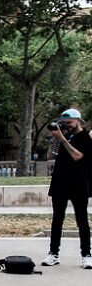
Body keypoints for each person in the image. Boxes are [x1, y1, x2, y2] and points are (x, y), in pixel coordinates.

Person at [42, 108, 92, 269]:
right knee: (57, 220)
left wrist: (63, 139)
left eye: (69, 123)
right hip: (60, 182)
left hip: (79, 183)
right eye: (64, 123)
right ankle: (53, 253)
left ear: (78, 121)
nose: (67, 126)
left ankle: (86, 255)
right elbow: (51, 155)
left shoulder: (85, 137)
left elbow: (78, 156)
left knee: (82, 220)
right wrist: (55, 139)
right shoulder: (63, 135)